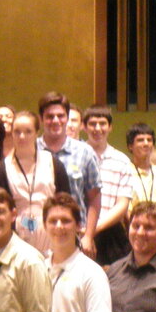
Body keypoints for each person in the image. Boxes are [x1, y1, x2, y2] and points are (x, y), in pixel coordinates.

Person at [0, 111, 69, 254]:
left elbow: (65, 202)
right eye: (17, 132)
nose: (22, 136)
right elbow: (3, 208)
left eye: (28, 131)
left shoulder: (53, 163)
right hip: (16, 237)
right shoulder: (0, 168)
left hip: (52, 232)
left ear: (36, 133)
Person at [37, 92, 102, 246]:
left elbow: (94, 198)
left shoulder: (84, 152)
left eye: (60, 116)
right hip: (37, 236)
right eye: (49, 116)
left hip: (75, 235)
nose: (55, 121)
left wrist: (88, 236)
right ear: (41, 119)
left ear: (67, 118)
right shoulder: (32, 150)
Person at [84, 105, 139, 265]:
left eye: (102, 123)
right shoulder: (76, 154)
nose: (97, 128)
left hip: (110, 233)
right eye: (92, 124)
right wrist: (86, 232)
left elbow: (123, 204)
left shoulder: (122, 160)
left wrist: (94, 229)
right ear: (84, 127)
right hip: (78, 230)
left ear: (110, 127)